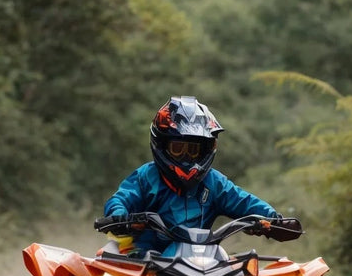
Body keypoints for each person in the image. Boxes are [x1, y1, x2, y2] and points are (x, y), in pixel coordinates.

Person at [103, 96, 280, 254]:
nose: (186, 157)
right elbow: (120, 199)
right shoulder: (146, 177)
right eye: (178, 149)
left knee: (246, 272)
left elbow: (243, 201)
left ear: (206, 150)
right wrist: (120, 217)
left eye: (193, 150)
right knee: (104, 270)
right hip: (145, 265)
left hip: (202, 264)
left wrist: (273, 218)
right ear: (162, 145)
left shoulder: (214, 182)